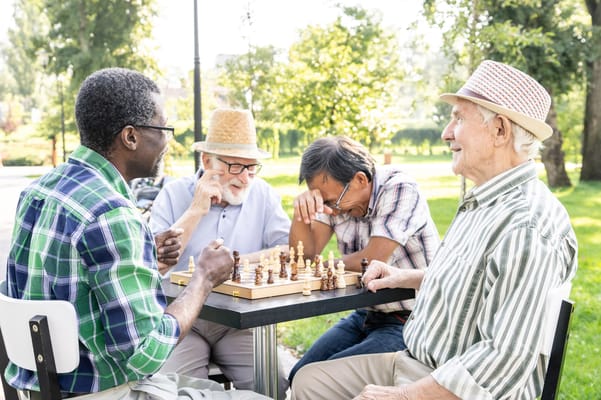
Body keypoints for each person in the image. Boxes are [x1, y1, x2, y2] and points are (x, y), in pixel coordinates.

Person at [290, 60, 578, 400]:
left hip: (453, 384)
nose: (446, 132)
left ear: (500, 130)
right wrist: (403, 277)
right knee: (306, 381)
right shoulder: (484, 203)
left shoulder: (527, 226)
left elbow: (505, 358)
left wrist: (406, 395)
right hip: (419, 360)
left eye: (458, 118)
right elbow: (471, 284)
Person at [4, 67, 269, 400]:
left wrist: (143, 256)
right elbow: (145, 355)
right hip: (111, 392)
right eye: (163, 128)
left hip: (46, 390)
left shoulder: (39, 191)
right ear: (130, 137)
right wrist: (203, 277)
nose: (168, 141)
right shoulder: (112, 213)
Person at [149, 108, 291, 396]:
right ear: (206, 161)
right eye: (235, 166)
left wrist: (233, 263)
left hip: (239, 322)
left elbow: (287, 250)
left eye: (251, 167)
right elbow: (154, 263)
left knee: (277, 381)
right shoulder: (175, 193)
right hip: (181, 319)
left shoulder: (262, 194)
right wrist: (196, 209)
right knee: (175, 392)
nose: (245, 178)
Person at [287, 135, 440, 383]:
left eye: (330, 201)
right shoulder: (337, 200)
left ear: (360, 179)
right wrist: (301, 214)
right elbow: (304, 258)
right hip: (368, 314)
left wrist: (327, 266)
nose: (330, 210)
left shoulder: (400, 189)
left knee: (320, 383)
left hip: (416, 320)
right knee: (298, 376)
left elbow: (373, 259)